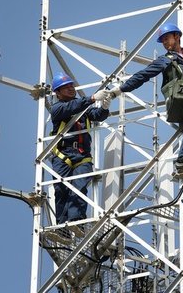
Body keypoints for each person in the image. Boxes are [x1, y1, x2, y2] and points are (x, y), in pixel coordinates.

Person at [106, 23, 183, 171]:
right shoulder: (165, 60)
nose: (165, 43)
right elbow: (143, 75)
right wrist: (120, 89)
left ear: (177, 36)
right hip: (178, 95)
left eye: (166, 38)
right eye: (163, 41)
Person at [49, 72, 110, 241]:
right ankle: (63, 229)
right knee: (61, 190)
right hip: (63, 154)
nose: (70, 89)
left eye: (71, 86)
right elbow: (71, 107)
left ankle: (76, 221)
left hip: (82, 155)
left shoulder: (83, 109)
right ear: (58, 93)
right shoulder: (57, 108)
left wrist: (104, 107)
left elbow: (97, 116)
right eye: (65, 88)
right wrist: (91, 99)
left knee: (79, 187)